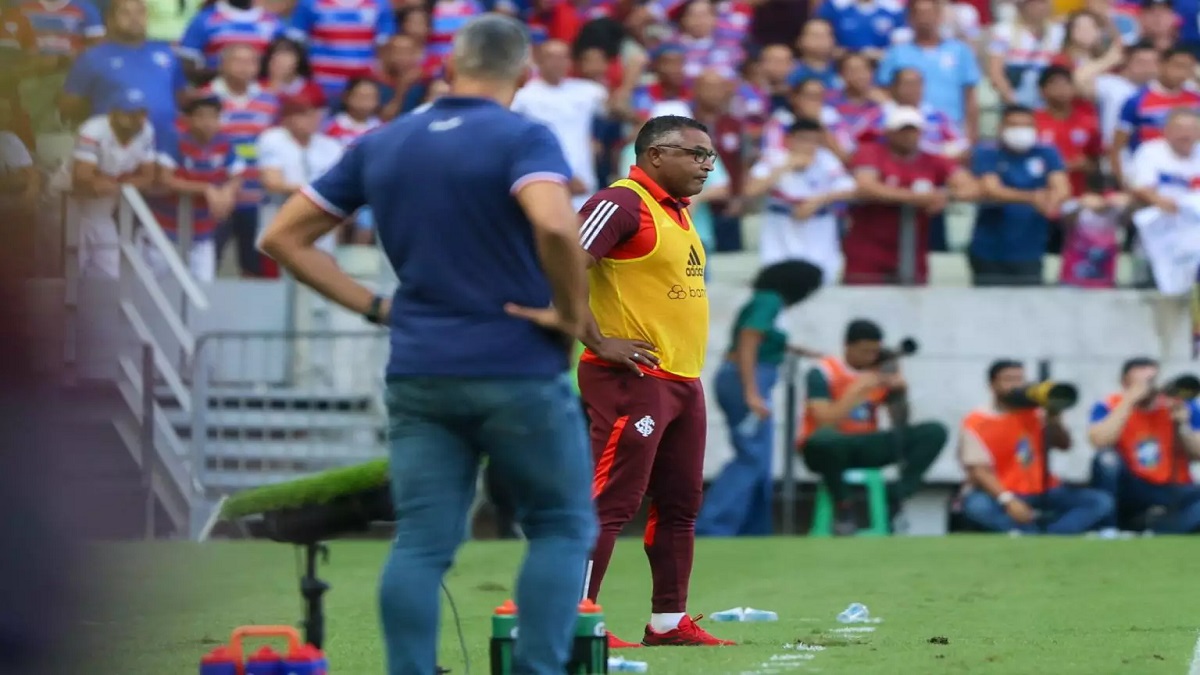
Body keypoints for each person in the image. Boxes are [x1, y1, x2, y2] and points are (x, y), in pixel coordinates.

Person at [258, 15, 596, 675]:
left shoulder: (383, 141)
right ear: (524, 76)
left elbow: (281, 238)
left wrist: (377, 306)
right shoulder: (524, 136)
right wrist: (571, 313)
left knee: (421, 543)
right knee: (559, 525)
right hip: (515, 365)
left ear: (446, 69)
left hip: (420, 367)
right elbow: (555, 224)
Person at [515, 114, 733, 648]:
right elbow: (562, 264)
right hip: (632, 378)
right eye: (697, 154)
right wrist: (596, 340)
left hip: (682, 378)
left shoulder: (675, 213)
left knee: (681, 504)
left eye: (711, 157)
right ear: (656, 154)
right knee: (609, 500)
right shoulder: (621, 202)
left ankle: (667, 621)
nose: (707, 165)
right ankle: (574, 617)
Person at [695, 260, 824, 537]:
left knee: (760, 459)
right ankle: (713, 525)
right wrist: (752, 392)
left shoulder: (764, 300)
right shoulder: (770, 301)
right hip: (747, 380)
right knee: (751, 457)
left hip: (747, 379)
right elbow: (749, 340)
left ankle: (753, 529)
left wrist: (795, 349)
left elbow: (762, 337)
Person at [798, 319, 948, 535]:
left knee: (934, 432)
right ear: (847, 347)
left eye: (874, 352)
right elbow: (824, 421)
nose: (870, 357)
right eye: (864, 352)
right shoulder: (822, 372)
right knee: (825, 440)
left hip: (865, 442)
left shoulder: (880, 372)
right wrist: (856, 390)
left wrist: (899, 392)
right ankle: (844, 506)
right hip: (825, 447)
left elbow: (900, 424)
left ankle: (896, 495)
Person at [959, 359, 1114, 534]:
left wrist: (1054, 415)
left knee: (1100, 501)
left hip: (1043, 489)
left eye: (1020, 379)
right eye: (1008, 380)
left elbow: (1064, 445)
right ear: (992, 385)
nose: (1016, 385)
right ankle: (1028, 533)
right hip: (1003, 491)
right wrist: (1008, 500)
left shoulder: (1035, 412)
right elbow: (979, 471)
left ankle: (1051, 535)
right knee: (976, 506)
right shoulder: (977, 421)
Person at [1088, 358, 1200, 534]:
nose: (1148, 388)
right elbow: (1099, 442)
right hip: (1133, 483)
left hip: (1173, 484)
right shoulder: (1109, 405)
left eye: (1152, 380)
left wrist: (1183, 426)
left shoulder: (1180, 404)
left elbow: (1197, 453)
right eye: (1140, 382)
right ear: (1125, 382)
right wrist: (1128, 402)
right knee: (1106, 460)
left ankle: (1154, 527)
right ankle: (1109, 528)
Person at [969, 104, 1070, 286]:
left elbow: (1062, 188)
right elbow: (992, 189)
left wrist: (1050, 202)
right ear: (1001, 128)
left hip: (1031, 249)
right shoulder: (987, 152)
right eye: (1014, 125)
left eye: (1026, 126)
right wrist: (1034, 198)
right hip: (990, 250)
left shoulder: (1046, 152)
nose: (1020, 131)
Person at [71, 88, 156, 278]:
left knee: (109, 271)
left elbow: (148, 178)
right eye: (128, 112)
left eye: (140, 113)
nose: (135, 118)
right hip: (66, 203)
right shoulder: (93, 129)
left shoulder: (147, 130)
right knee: (65, 270)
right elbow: (83, 179)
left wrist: (111, 183)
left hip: (103, 206)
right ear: (113, 112)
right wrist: (124, 183)